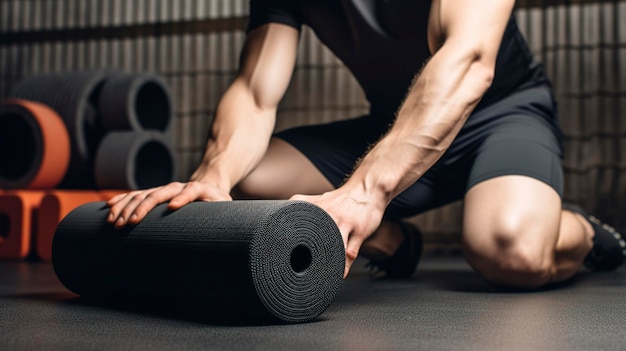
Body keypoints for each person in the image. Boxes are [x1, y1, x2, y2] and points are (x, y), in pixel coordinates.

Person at [107, 0, 625, 289]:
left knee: (509, 248)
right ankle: (394, 243)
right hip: (399, 127)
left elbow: (469, 60)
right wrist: (209, 180)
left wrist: (364, 193)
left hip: (501, 116)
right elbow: (254, 91)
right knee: (245, 185)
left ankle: (580, 229)